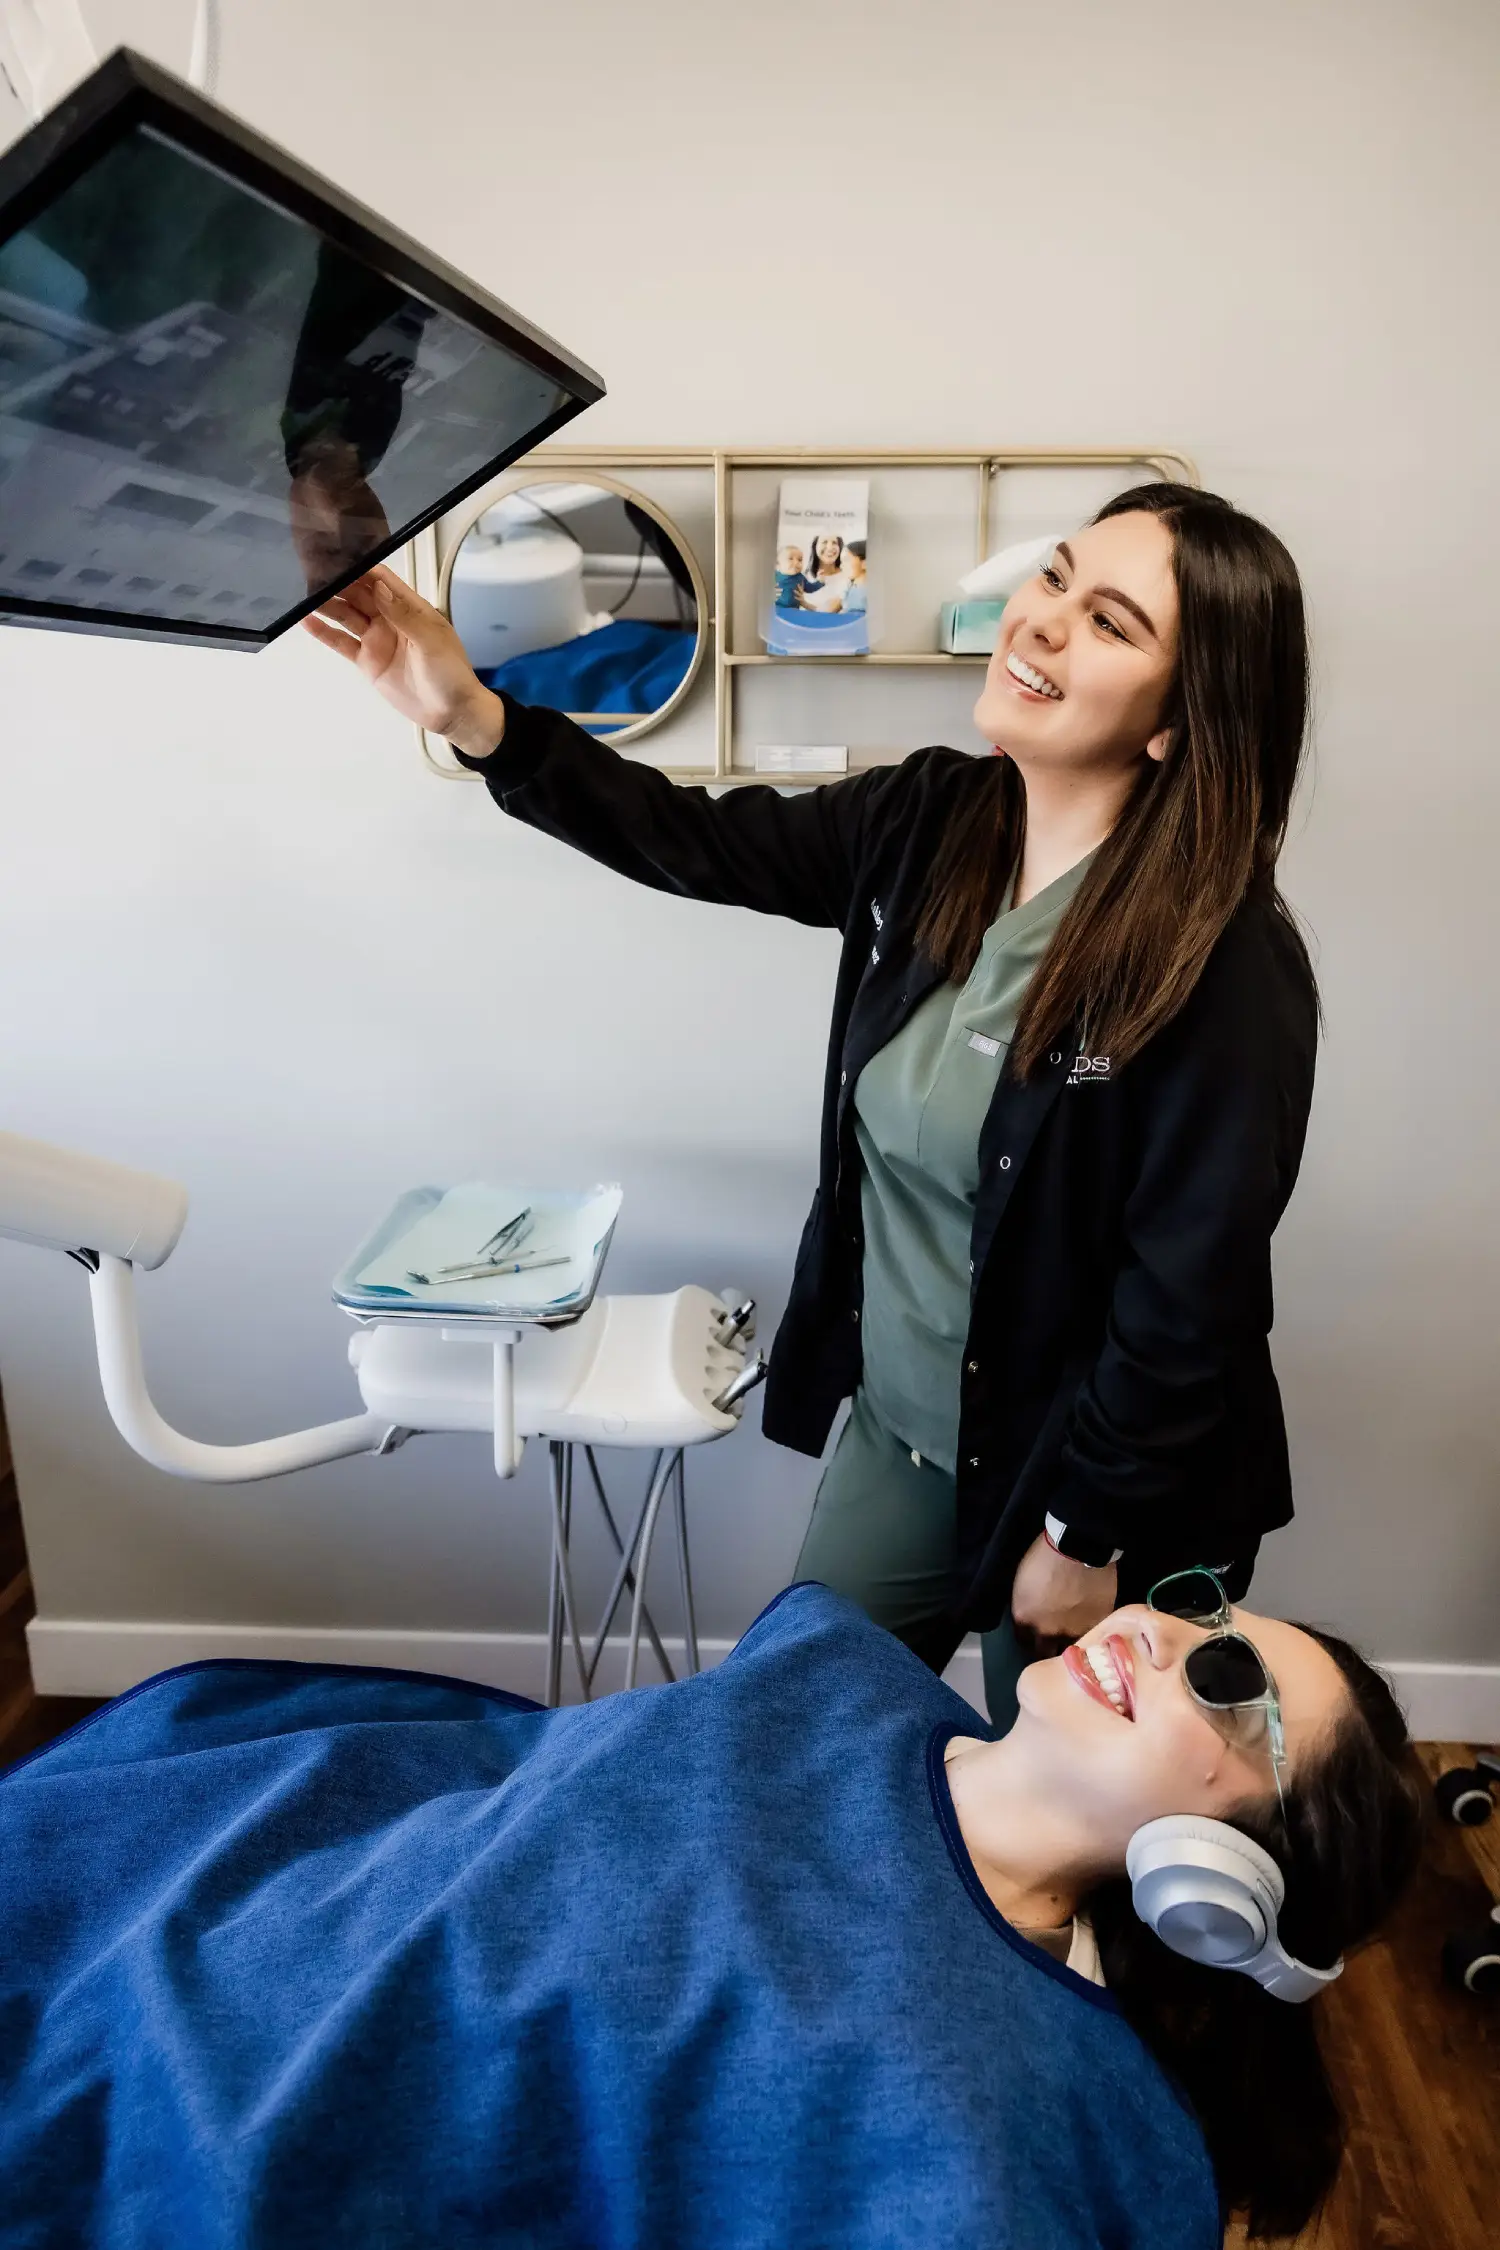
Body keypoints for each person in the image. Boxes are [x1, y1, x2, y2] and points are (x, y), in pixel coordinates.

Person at [302, 483, 1320, 1732]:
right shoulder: (929, 820)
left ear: (1178, 719)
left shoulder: (1226, 964)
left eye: (1111, 622)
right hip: (908, 1436)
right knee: (786, 1737)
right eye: (1055, 577)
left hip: (1100, 1492)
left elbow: (1191, 1296)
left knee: (1083, 1819)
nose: (1043, 620)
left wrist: (1083, 1534)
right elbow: (692, 839)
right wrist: (473, 716)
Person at [0, 1576, 1426, 2245]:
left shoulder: (973, 2106)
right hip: (319, 1861)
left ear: (1223, 1879)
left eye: (1228, 1684)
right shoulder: (847, 1666)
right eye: (1204, 1610)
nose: (1163, 1634)